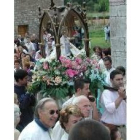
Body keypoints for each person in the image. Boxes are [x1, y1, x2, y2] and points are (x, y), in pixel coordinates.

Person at [100, 70, 126, 140]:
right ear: (111, 80)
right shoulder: (107, 92)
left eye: (121, 79)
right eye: (117, 79)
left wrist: (125, 97)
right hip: (110, 129)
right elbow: (110, 109)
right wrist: (121, 97)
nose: (120, 81)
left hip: (123, 128)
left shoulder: (125, 92)